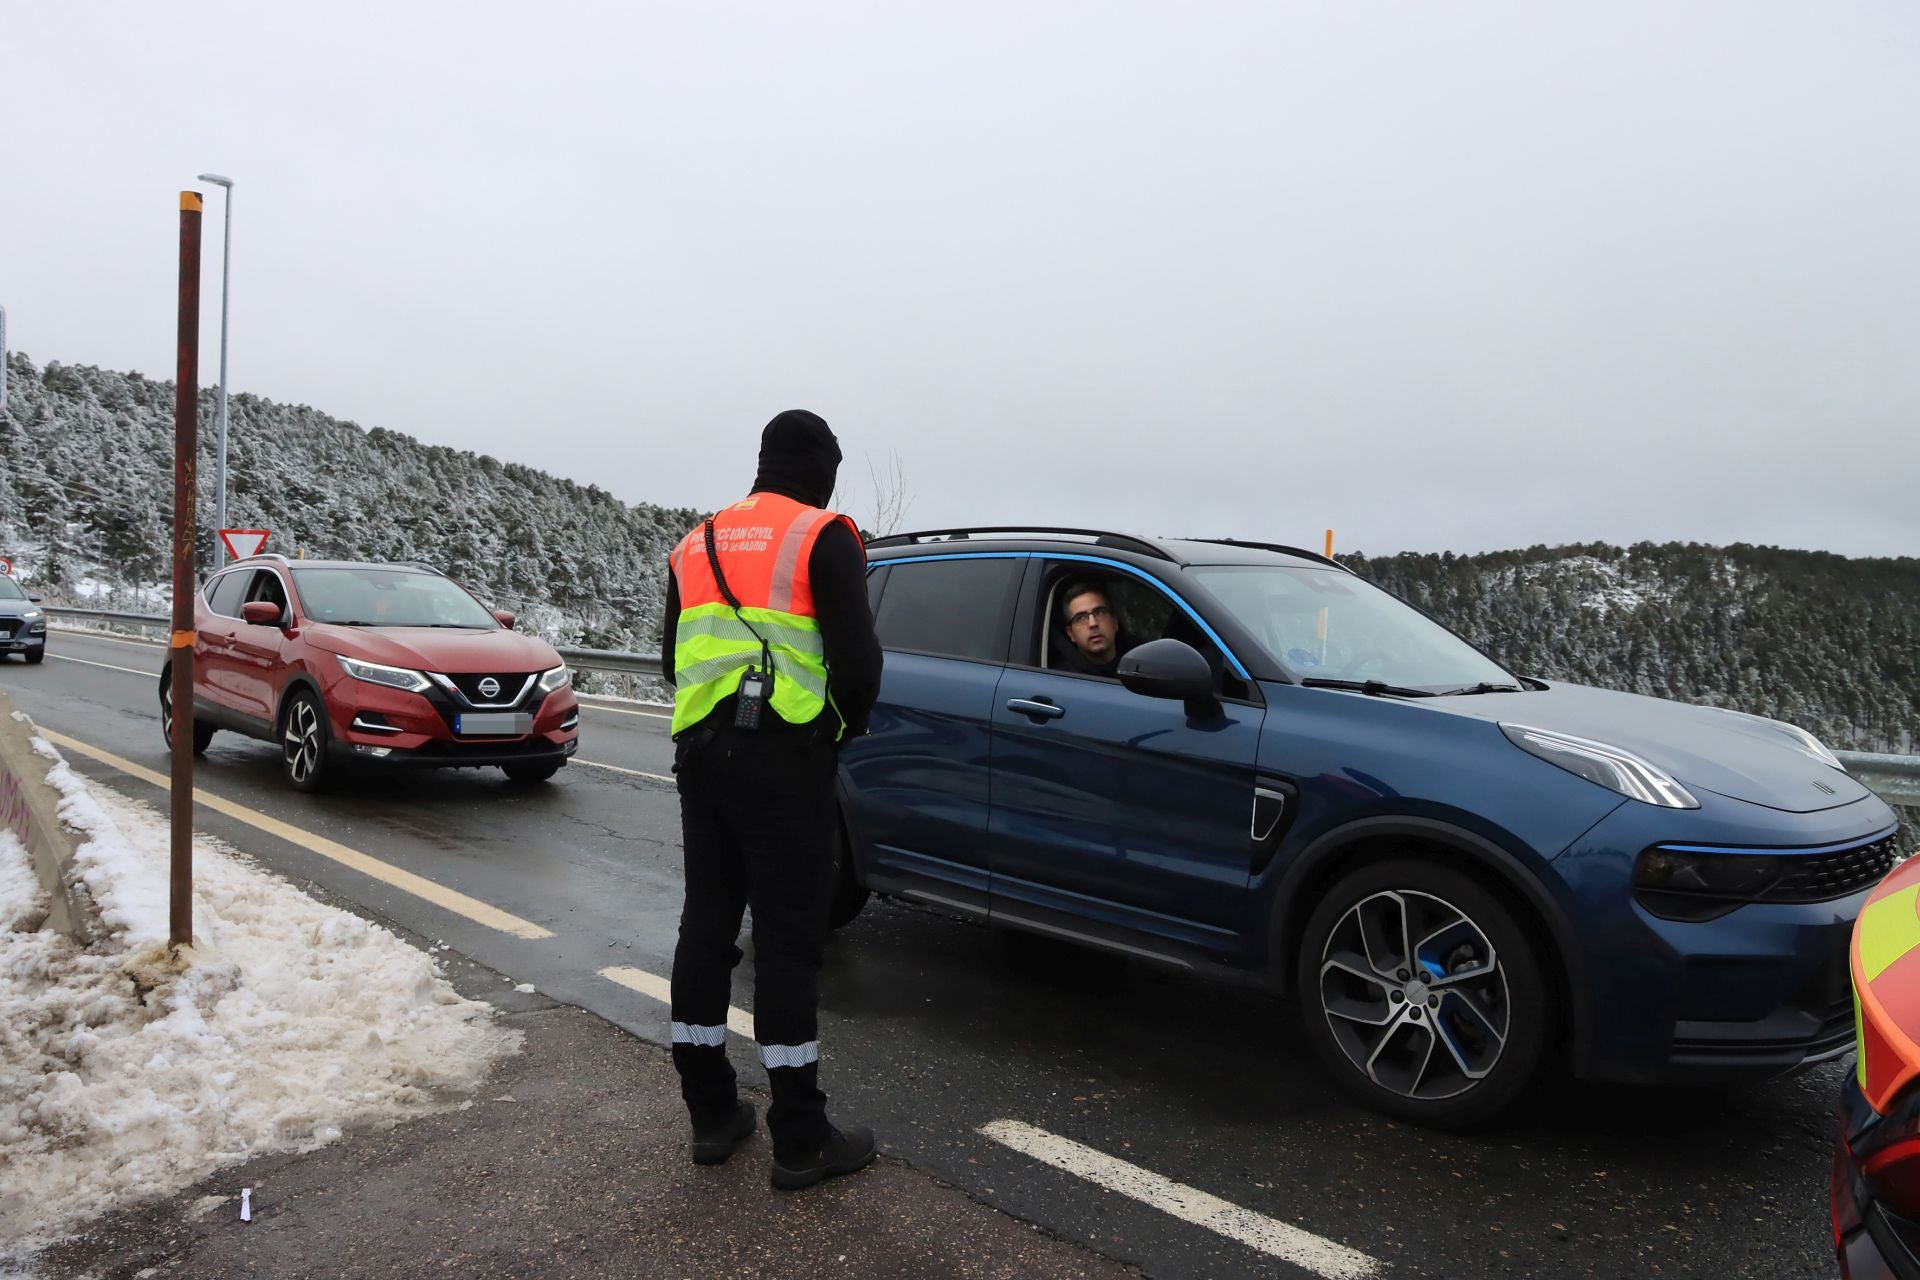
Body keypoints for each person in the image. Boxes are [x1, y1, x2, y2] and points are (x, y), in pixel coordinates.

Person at [658, 409, 884, 1190]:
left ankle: (712, 1113)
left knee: (706, 928)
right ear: (822, 470)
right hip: (786, 760)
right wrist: (835, 733)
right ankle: (800, 1134)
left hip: (702, 754)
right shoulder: (825, 535)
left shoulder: (697, 541)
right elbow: (859, 664)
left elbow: (669, 657)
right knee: (788, 942)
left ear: (761, 464)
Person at [1053, 580, 1130, 677]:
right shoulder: (1063, 679)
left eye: (1099, 612)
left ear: (1115, 622)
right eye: (1081, 618)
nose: (1093, 623)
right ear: (1071, 634)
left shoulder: (1138, 663)